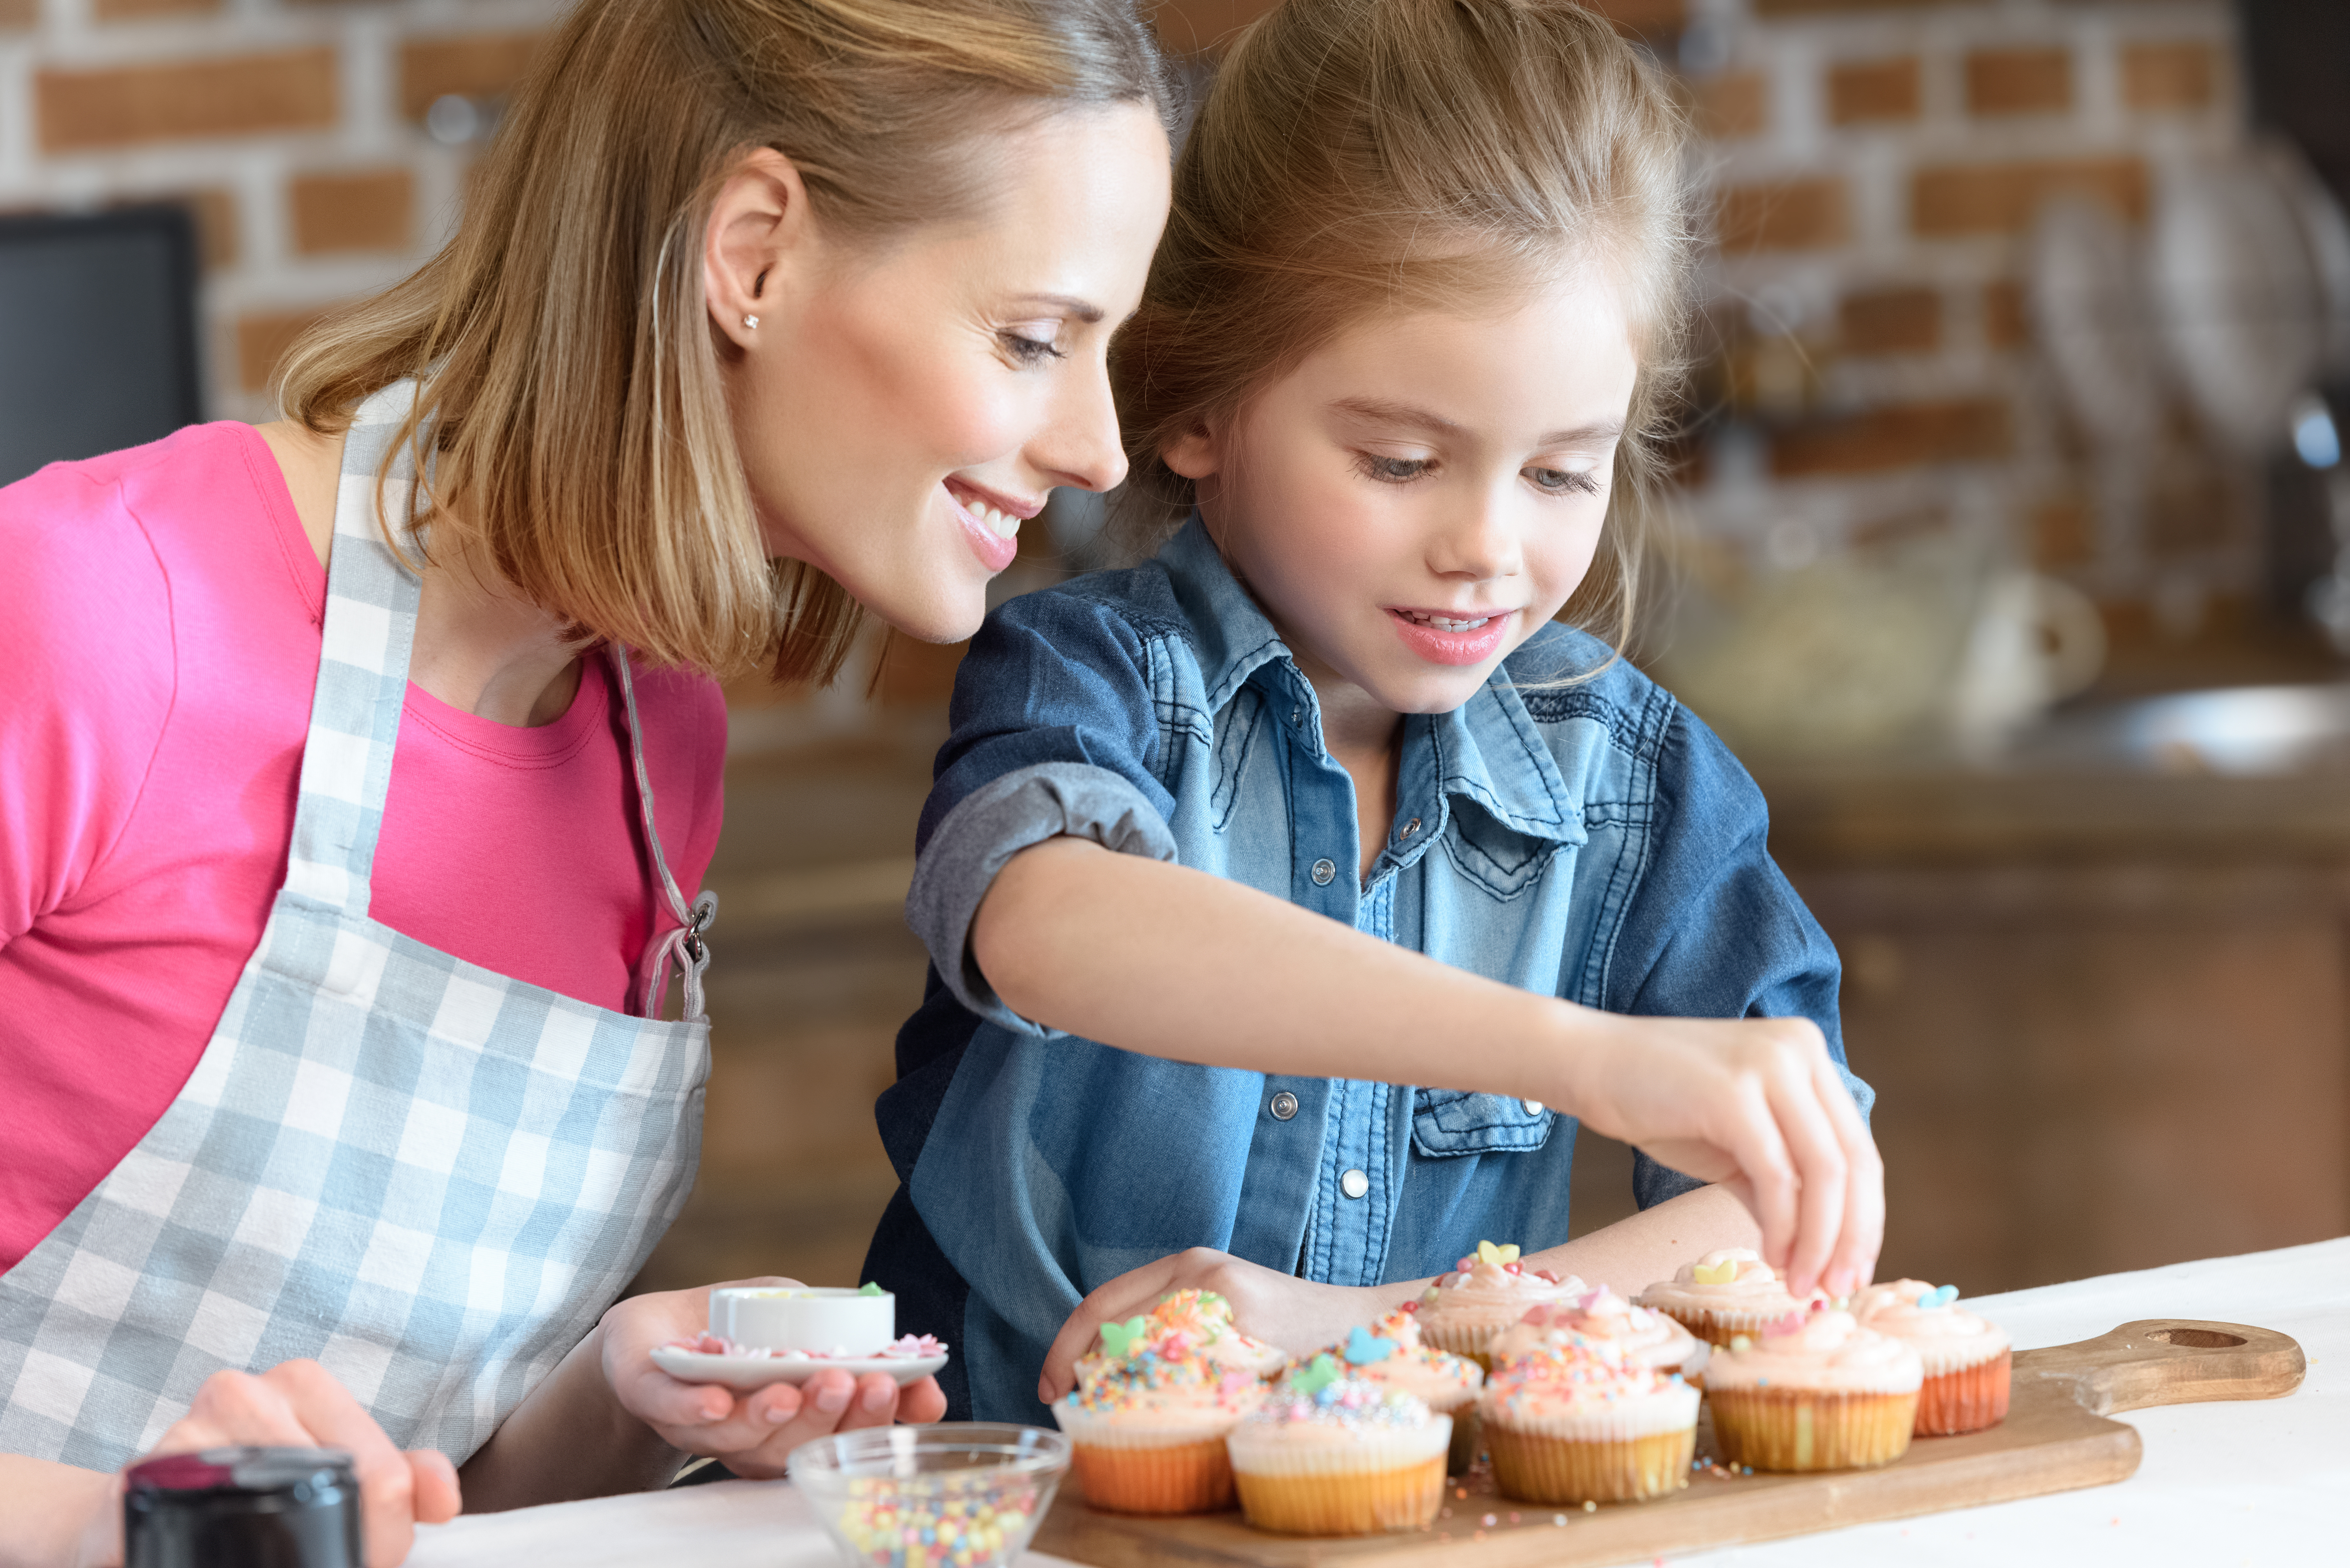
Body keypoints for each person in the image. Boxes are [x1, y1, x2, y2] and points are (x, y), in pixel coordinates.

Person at [0, 0, 1172, 1560]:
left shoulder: (649, 744)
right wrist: (121, 1525)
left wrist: (622, 1393)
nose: (1098, 445)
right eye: (1034, 338)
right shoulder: (91, 617)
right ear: (751, 254)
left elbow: (438, 1509)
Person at [864, 0, 1882, 1426]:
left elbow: (1786, 1213)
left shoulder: (1634, 781)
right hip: (1022, 1504)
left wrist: (1359, 1331)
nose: (1486, 544)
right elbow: (1043, 922)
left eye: (1559, 474)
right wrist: (1586, 1056)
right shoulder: (1085, 675)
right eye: (1401, 461)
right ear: (1199, 403)